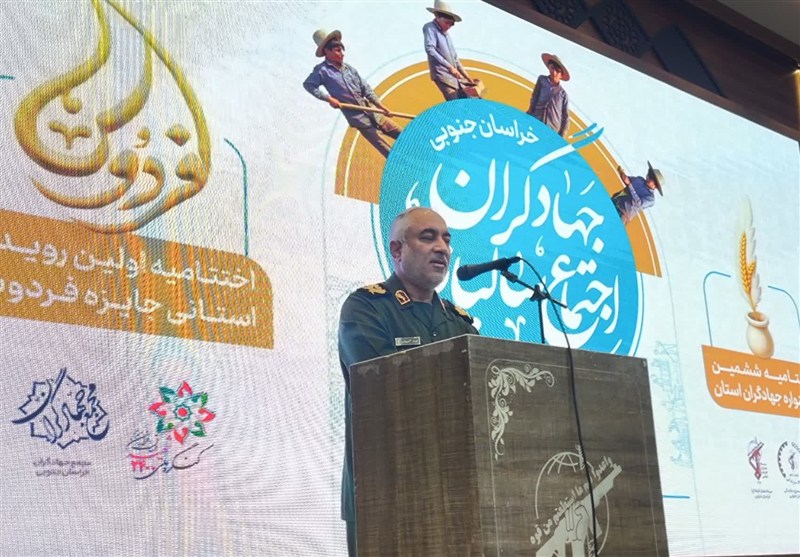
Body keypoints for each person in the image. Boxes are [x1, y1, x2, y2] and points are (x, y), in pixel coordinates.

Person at [337, 207, 478, 556]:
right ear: (397, 250)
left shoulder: (459, 322)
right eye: (428, 237)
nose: (442, 248)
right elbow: (386, 387)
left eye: (446, 239)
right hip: (384, 493)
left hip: (455, 493)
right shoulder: (366, 308)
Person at [303, 29, 402, 158]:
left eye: (342, 50)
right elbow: (308, 85)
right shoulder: (322, 71)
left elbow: (366, 89)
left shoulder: (349, 68)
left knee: (404, 134)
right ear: (327, 51)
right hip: (359, 119)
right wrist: (328, 98)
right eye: (338, 51)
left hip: (373, 111)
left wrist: (381, 106)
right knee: (388, 150)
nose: (342, 54)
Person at [423, 1, 474, 101]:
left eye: (451, 24)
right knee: (454, 102)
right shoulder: (430, 28)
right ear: (437, 17)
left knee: (467, 100)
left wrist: (468, 77)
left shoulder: (447, 35)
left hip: (455, 78)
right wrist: (449, 67)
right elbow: (430, 49)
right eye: (446, 23)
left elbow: (455, 59)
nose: (448, 26)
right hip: (442, 74)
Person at [526, 53, 570, 137]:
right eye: (552, 68)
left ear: (561, 75)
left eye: (557, 71)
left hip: (552, 130)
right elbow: (535, 97)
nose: (554, 72)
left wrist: (561, 136)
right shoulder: (542, 80)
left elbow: (566, 116)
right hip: (536, 122)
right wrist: (530, 112)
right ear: (549, 67)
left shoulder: (563, 94)